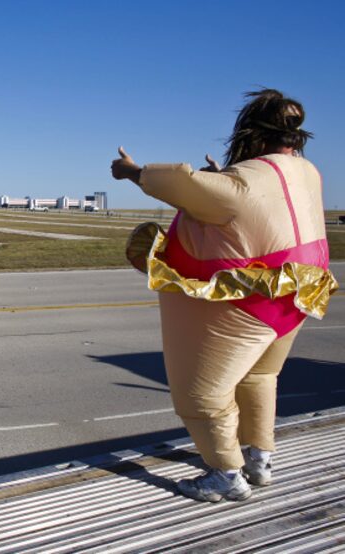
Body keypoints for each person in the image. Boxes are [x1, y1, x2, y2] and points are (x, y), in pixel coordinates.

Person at [110, 89, 338, 502]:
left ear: (252, 129)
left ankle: (225, 475)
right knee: (259, 376)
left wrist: (130, 171)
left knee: (201, 393)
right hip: (300, 295)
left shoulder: (240, 183)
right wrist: (221, 175)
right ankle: (259, 460)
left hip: (253, 303)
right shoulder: (308, 173)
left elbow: (182, 184)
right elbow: (251, 200)